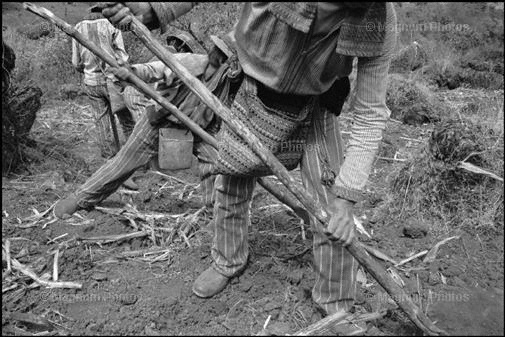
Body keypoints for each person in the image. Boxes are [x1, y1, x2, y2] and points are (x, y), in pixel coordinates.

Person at [99, 2, 397, 324]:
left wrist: (347, 196)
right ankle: (227, 260)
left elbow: (370, 113)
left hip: (316, 103)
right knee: (232, 179)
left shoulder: (377, 20)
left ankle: (334, 305)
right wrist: (155, 10)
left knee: (331, 211)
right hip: (251, 90)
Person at [54, 31, 238, 218]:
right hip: (159, 121)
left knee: (215, 162)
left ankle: (215, 214)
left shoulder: (229, 82)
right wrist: (131, 72)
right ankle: (79, 200)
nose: (219, 56)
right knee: (123, 163)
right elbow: (153, 69)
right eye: (218, 51)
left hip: (197, 130)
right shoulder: (189, 61)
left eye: (225, 56)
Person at [72, 11, 136, 164]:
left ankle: (110, 161)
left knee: (101, 122)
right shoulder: (111, 25)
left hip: (91, 82)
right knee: (126, 120)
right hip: (113, 80)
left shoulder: (78, 27)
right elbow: (123, 57)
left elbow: (75, 63)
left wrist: (87, 69)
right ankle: (134, 158)